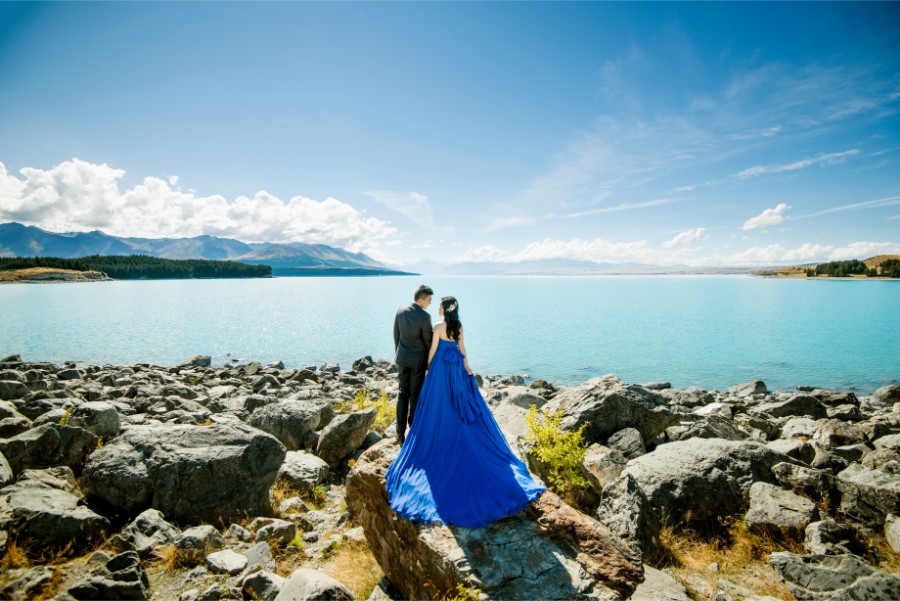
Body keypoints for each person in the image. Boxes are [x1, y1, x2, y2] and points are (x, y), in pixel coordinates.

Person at [386, 296, 546, 528]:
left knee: (438, 406)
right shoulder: (458, 326)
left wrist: (429, 369)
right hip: (456, 370)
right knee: (459, 404)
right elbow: (462, 350)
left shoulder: (438, 327)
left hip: (441, 371)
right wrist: (467, 367)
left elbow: (432, 350)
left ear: (444, 309)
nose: (438, 307)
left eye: (440, 304)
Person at [393, 284, 434, 444]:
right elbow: (428, 342)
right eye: (429, 300)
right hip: (418, 362)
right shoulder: (424, 317)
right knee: (415, 394)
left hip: (402, 359)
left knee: (403, 394)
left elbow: (396, 335)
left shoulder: (400, 310)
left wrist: (399, 354)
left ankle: (399, 433)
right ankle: (414, 429)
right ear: (421, 299)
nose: (429, 303)